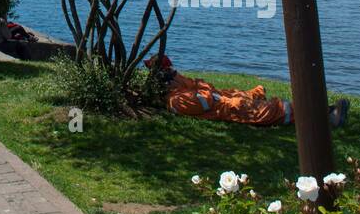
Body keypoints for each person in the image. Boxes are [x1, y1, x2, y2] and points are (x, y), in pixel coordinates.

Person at [146, 56, 350, 129]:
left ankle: (326, 111)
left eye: (172, 69)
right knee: (278, 109)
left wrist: (194, 85)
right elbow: (206, 99)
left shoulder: (183, 87)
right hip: (232, 109)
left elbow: (204, 89)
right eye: (170, 72)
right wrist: (197, 87)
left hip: (229, 100)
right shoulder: (176, 100)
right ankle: (328, 118)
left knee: (262, 98)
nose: (175, 72)